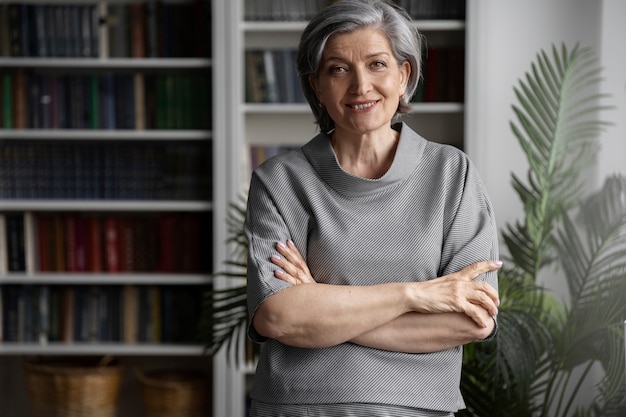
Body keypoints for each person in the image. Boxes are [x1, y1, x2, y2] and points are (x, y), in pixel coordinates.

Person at [244, 0, 501, 415]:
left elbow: (472, 319)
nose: (360, 85)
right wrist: (416, 295)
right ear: (317, 87)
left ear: (404, 75)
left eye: (377, 64)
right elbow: (277, 318)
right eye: (338, 69)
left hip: (418, 410)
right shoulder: (279, 181)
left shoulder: (453, 174)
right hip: (298, 409)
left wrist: (320, 306)